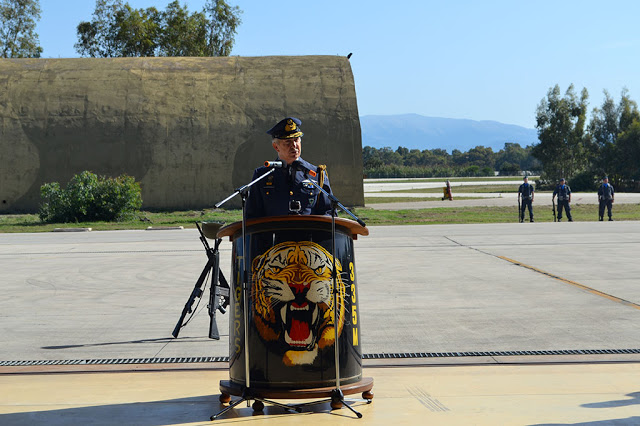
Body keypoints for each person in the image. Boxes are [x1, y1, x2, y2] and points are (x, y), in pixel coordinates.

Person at [246, 117, 333, 219]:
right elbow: (252, 216)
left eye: (296, 140)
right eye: (287, 142)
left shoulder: (316, 174)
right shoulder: (262, 175)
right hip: (273, 233)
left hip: (308, 233)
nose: (294, 146)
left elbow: (329, 211)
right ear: (276, 147)